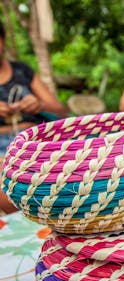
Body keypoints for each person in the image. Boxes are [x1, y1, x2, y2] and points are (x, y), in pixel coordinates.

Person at [0, 20, 68, 214]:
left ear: (3, 40)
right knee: (12, 194)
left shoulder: (22, 71)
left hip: (32, 142)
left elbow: (59, 109)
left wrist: (38, 104)